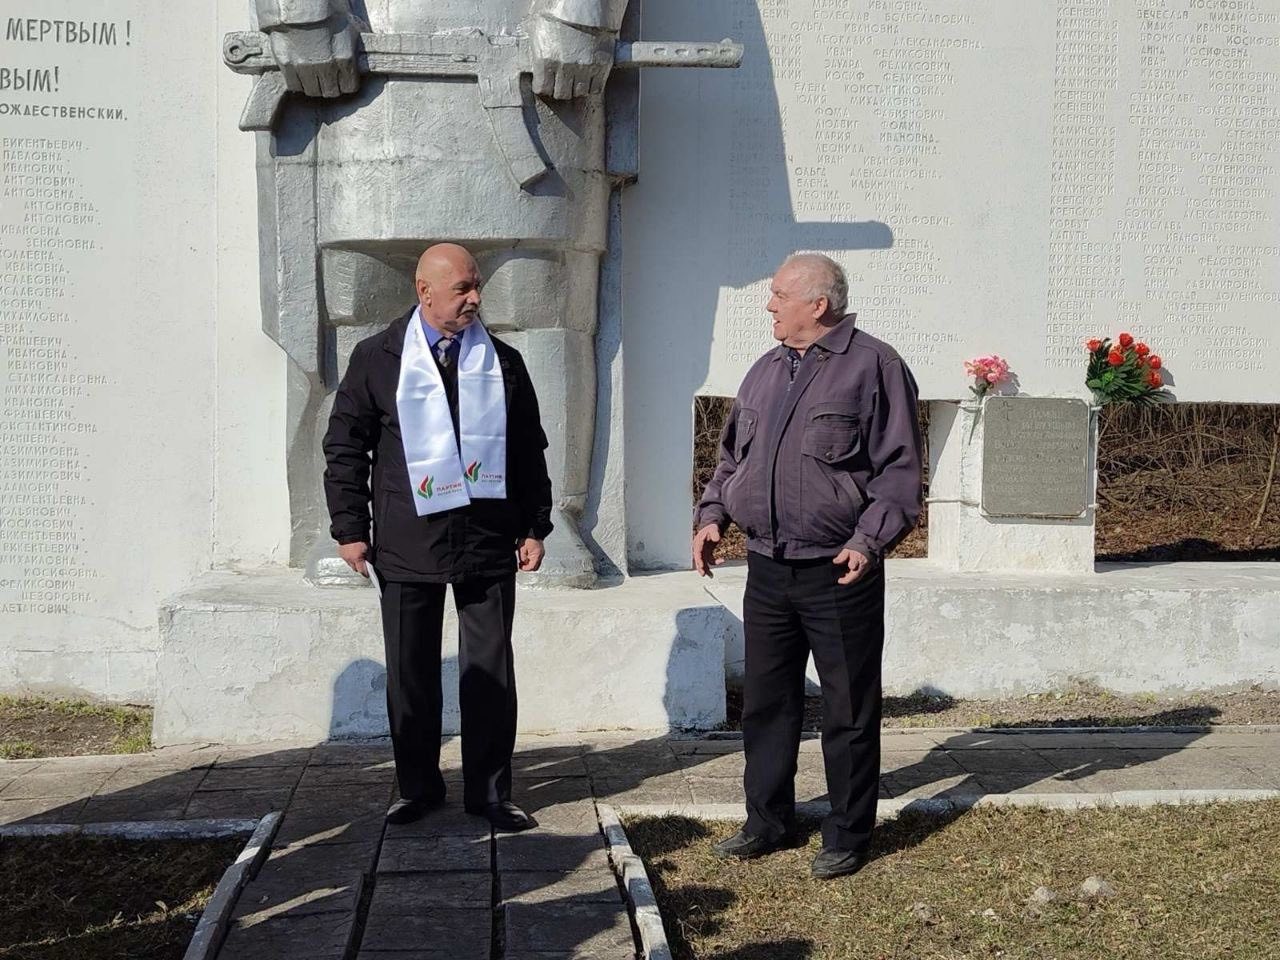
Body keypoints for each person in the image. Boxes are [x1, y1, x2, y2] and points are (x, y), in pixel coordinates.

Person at [692, 253, 923, 879]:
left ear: (817, 305)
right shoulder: (764, 370)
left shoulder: (875, 366)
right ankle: (766, 822)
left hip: (839, 569)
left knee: (848, 708)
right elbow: (732, 460)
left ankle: (847, 833)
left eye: (778, 294)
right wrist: (713, 514)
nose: (769, 305)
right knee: (767, 703)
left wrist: (868, 541)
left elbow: (899, 472)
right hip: (767, 567)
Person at [323, 243, 553, 830]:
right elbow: (346, 446)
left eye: (477, 287)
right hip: (407, 538)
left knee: (490, 671)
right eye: (463, 289)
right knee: (411, 672)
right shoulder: (378, 357)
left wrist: (534, 525)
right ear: (424, 292)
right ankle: (418, 788)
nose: (475, 298)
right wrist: (350, 528)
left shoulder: (503, 362)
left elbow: (527, 448)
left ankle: (491, 793)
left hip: (486, 539)